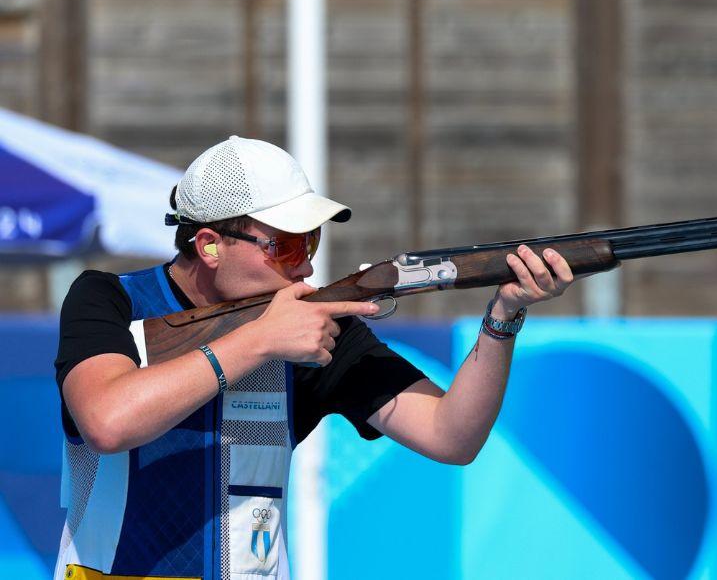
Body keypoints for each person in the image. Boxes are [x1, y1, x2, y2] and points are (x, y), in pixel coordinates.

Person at [53, 136, 574, 579]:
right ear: (209, 245)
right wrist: (260, 340)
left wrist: (504, 316)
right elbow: (107, 420)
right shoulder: (110, 301)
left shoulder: (318, 330)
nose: (304, 264)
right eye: (284, 245)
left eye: (312, 240)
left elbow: (451, 437)